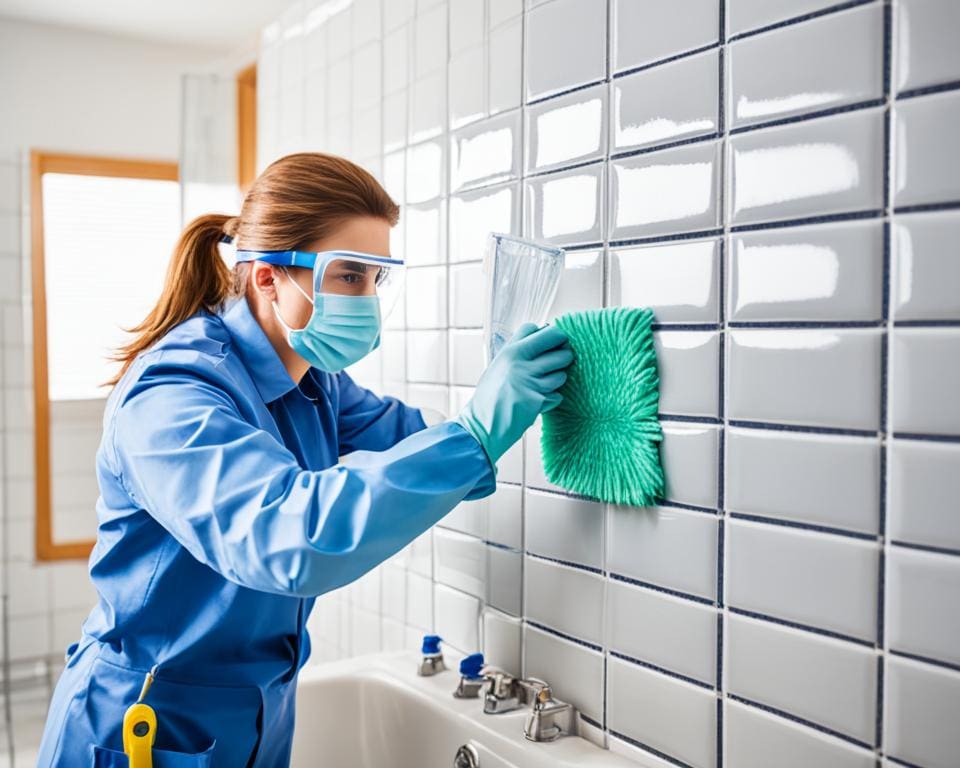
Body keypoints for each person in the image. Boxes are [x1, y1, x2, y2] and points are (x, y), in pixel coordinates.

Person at [36, 152, 573, 767]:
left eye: (377, 277)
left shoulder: (315, 385)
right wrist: (478, 432)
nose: (367, 298)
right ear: (268, 277)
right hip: (144, 725)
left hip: (256, 718)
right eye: (349, 275)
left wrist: (502, 410)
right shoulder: (171, 396)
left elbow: (413, 444)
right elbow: (287, 537)